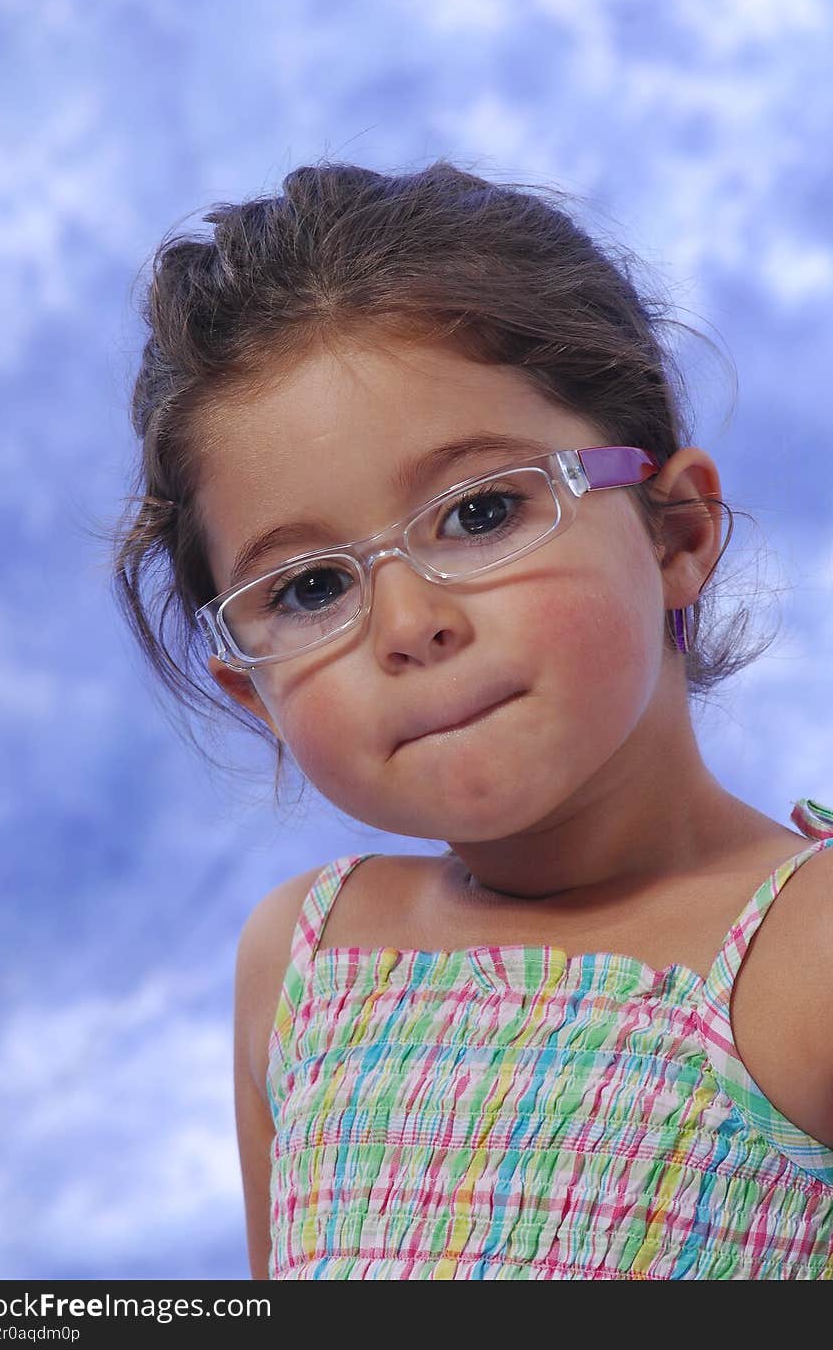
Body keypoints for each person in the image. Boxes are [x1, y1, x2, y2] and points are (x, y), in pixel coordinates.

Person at [110, 160, 833, 1280]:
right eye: (309, 589)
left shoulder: (805, 957)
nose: (408, 622)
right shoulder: (301, 966)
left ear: (675, 534)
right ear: (253, 691)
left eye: (482, 511)